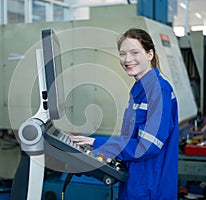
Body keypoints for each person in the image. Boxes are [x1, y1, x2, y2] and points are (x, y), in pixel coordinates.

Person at [70, 28, 179, 200]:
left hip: (149, 187)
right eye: (123, 54)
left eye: (134, 52)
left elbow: (147, 146)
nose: (127, 60)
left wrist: (99, 143)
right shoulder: (141, 90)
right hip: (137, 181)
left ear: (150, 54)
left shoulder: (158, 90)